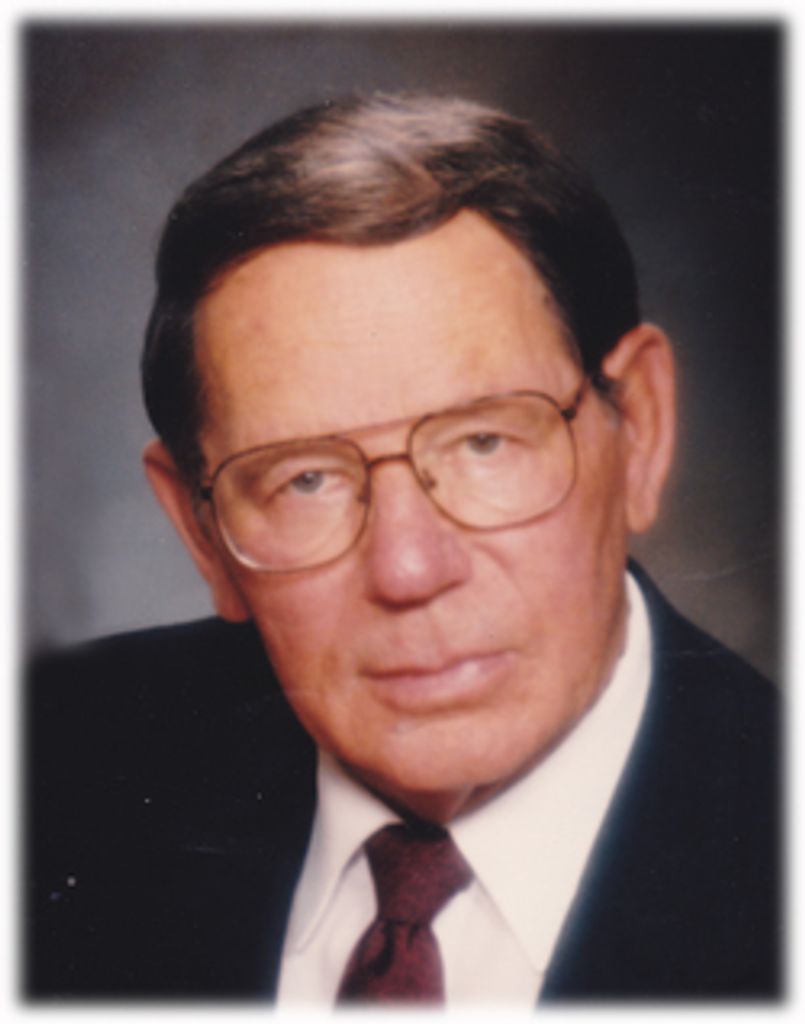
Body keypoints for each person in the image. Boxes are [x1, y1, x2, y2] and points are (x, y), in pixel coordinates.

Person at [26, 92, 780, 1003]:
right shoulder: (46, 774)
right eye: (305, 479)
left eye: (483, 443)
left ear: (641, 432)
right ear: (199, 529)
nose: (408, 569)